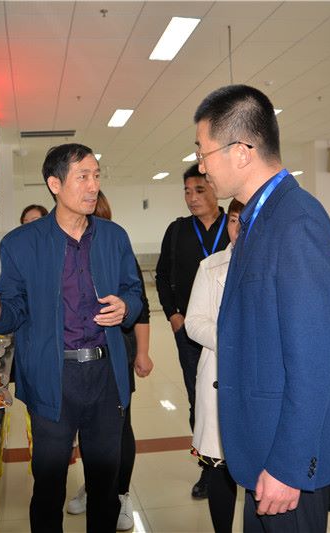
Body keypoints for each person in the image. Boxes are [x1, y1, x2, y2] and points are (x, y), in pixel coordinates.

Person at [193, 84, 330, 532]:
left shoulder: (296, 221)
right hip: (263, 442)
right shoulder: (260, 217)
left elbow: (313, 357)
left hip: (288, 457)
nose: (201, 165)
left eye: (203, 151)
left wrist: (289, 465)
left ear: (241, 152)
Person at [0, 144, 142, 533]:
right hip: (52, 378)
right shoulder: (21, 243)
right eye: (82, 177)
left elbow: (134, 291)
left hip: (106, 377)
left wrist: (126, 307)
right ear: (55, 184)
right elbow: (14, 310)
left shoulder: (114, 237)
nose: (93, 185)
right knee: (48, 488)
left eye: (96, 175)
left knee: (105, 487)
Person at [67, 190, 154, 530]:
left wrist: (142, 352)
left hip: (117, 349)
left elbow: (140, 304)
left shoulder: (116, 246)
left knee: (119, 425)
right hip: (80, 357)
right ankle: (95, 487)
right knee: (90, 430)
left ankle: (121, 494)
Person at [155, 163, 230, 498]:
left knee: (232, 396)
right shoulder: (178, 231)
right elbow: (162, 276)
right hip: (190, 333)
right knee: (197, 399)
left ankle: (235, 461)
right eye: (187, 191)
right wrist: (173, 314)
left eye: (199, 190)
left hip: (231, 334)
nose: (192, 198)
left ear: (215, 189)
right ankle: (208, 468)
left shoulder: (235, 226)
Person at [184, 198, 244, 532]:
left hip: (263, 381)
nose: (239, 229)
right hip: (220, 373)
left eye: (247, 221)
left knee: (259, 469)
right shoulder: (211, 266)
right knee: (221, 466)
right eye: (234, 220)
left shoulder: (279, 265)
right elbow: (194, 323)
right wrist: (236, 341)